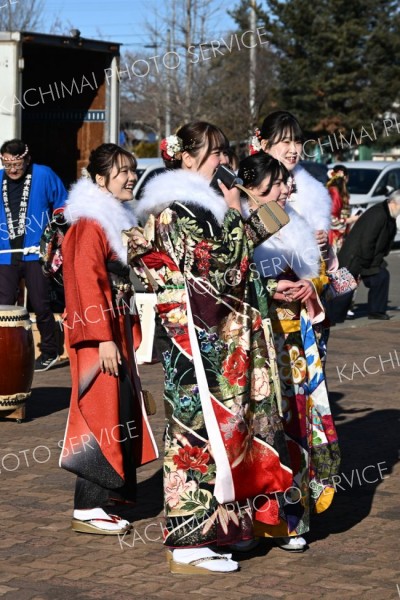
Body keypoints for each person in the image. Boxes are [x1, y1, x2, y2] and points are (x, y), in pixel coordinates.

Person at [130, 122, 292, 574]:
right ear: (185, 158)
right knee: (193, 435)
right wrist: (240, 209)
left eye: (225, 151)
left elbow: (232, 259)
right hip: (195, 340)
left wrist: (264, 211)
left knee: (228, 432)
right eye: (215, 152)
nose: (224, 160)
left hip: (216, 335)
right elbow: (223, 268)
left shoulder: (200, 205)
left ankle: (222, 530)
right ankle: (186, 540)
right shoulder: (176, 208)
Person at [238, 152, 340, 552]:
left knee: (294, 425)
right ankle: (251, 521)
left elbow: (320, 272)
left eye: (285, 182)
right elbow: (231, 283)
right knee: (256, 430)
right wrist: (270, 289)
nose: (287, 189)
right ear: (255, 189)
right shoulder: (241, 228)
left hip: (294, 344)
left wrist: (310, 286)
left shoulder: (295, 221)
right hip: (257, 342)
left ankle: (290, 522)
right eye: (278, 184)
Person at [60, 143, 158, 535]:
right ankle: (88, 505)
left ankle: (107, 494)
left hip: (111, 327)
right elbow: (86, 281)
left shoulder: (109, 218)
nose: (131, 177)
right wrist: (102, 338)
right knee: (99, 412)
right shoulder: (89, 222)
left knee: (116, 410)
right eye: (122, 171)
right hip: (98, 331)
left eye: (133, 170)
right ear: (100, 178)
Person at [252, 111, 337, 364]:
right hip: (266, 311)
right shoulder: (250, 189)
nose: (293, 150)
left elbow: (324, 262)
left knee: (307, 388)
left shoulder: (312, 192)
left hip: (306, 306)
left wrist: (322, 247)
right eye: (285, 142)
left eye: (297, 142)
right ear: (264, 145)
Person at [0, 139, 67, 371]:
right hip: (5, 253)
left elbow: (62, 202)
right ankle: (6, 350)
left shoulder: (43, 174)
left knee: (41, 303)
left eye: (17, 164)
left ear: (27, 160)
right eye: (7, 164)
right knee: (3, 305)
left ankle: (50, 351)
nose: (12, 170)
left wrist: (56, 225)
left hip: (35, 252)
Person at [338, 190, 400, 320]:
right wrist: (368, 262)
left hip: (368, 258)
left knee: (381, 276)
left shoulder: (389, 215)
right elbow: (367, 240)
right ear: (394, 203)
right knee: (343, 288)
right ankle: (334, 314)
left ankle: (376, 311)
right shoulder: (378, 214)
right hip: (355, 257)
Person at [327, 164, 359, 254]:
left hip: (339, 236)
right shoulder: (334, 192)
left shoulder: (337, 191)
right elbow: (332, 219)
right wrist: (349, 220)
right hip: (333, 238)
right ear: (345, 177)